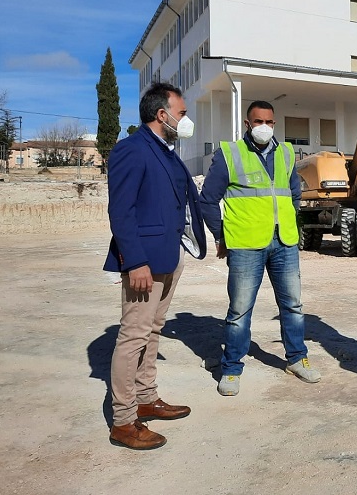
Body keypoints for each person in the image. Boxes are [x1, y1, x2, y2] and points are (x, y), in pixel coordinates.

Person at [104, 83, 207, 450]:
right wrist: (134, 261)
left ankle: (146, 397)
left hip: (169, 255)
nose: (185, 119)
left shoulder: (168, 152)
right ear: (162, 114)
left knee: (152, 331)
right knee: (133, 335)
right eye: (181, 112)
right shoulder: (132, 149)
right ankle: (124, 419)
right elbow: (121, 211)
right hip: (144, 262)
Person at [200, 100, 320, 396]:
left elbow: (293, 194)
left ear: (275, 123)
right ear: (247, 124)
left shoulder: (287, 153)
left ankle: (296, 358)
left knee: (293, 305)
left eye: (269, 122)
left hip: (284, 243)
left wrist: (290, 224)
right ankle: (231, 368)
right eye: (258, 121)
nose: (264, 127)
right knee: (240, 310)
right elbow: (207, 200)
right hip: (245, 245)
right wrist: (221, 236)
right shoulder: (230, 154)